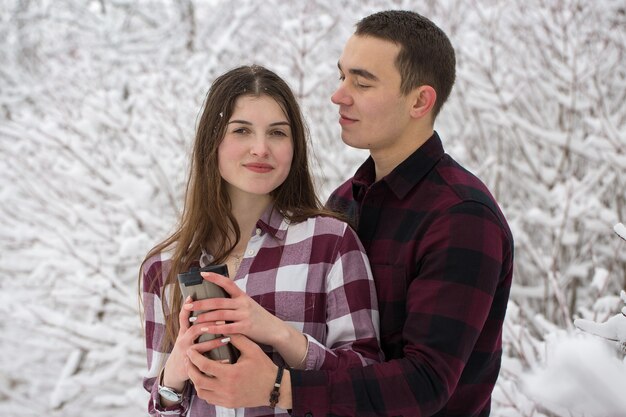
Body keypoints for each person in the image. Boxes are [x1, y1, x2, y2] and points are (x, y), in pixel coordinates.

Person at [184, 10, 514, 417]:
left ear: (419, 101)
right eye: (341, 77)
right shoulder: (346, 202)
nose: (339, 95)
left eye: (361, 82)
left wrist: (278, 388)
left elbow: (426, 385)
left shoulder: (461, 217)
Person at [139, 65, 383, 417]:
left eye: (277, 133)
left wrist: (278, 334)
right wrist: (175, 369)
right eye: (241, 130)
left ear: (294, 147)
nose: (260, 148)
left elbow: (367, 383)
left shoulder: (330, 242)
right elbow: (160, 406)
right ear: (213, 141)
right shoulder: (164, 267)